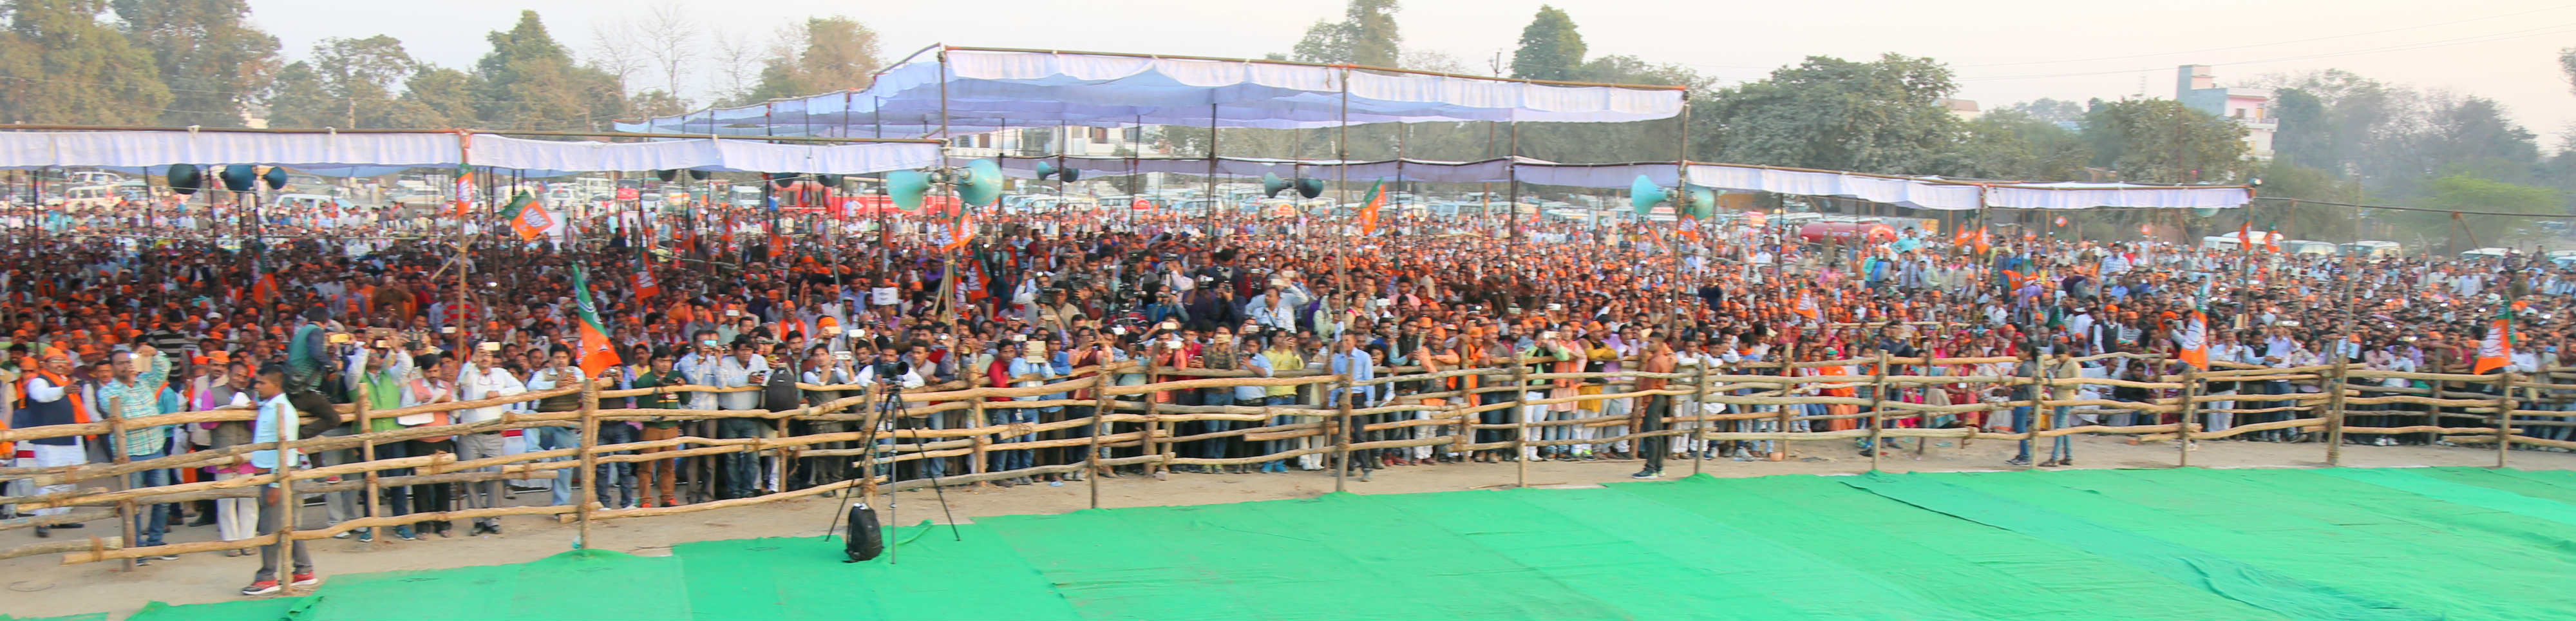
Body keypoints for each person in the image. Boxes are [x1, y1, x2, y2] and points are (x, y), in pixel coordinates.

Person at [241, 366, 317, 597]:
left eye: (262, 383)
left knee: (270, 526)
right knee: (287, 524)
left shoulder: (284, 412)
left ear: (276, 385)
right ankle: (304, 570)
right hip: (269, 474)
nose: (257, 387)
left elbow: (288, 451)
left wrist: (276, 484)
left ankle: (267, 576)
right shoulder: (270, 406)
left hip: (277, 474)